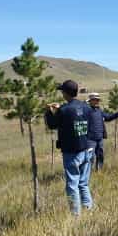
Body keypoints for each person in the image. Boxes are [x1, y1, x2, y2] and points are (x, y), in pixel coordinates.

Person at [45, 80, 95, 215]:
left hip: (71, 152)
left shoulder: (64, 110)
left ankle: (75, 216)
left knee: (72, 185)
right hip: (86, 149)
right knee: (83, 183)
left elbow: (52, 125)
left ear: (66, 93)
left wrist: (49, 112)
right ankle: (89, 209)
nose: (61, 93)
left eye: (62, 91)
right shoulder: (86, 108)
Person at [86, 92, 118, 171]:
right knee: (90, 157)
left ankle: (99, 171)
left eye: (98, 100)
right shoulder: (86, 111)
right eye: (95, 100)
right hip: (90, 139)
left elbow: (108, 117)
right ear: (90, 101)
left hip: (99, 138)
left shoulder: (99, 111)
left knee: (100, 155)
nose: (97, 102)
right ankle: (87, 173)